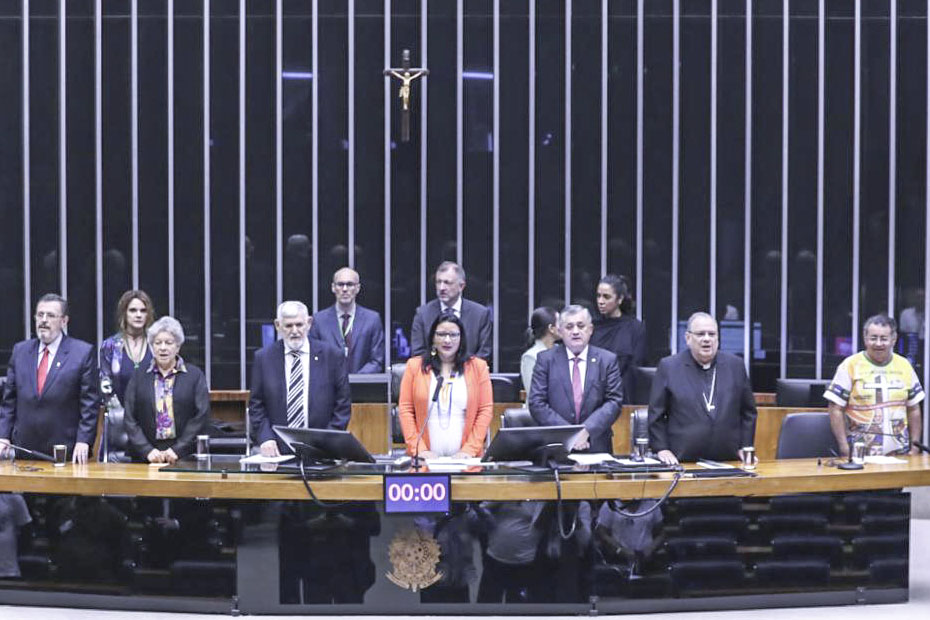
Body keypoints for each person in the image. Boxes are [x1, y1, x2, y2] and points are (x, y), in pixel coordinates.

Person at [0, 294, 99, 464]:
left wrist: (83, 440)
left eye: (51, 315)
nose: (44, 320)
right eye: (40, 315)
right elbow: (9, 401)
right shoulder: (20, 351)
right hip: (24, 448)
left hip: (64, 449)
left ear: (64, 321)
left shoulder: (81, 353)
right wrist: (3, 436)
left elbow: (89, 405)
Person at [648, 312, 757, 464]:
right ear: (688, 338)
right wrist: (661, 448)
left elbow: (748, 412)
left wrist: (745, 447)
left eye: (711, 334)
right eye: (700, 334)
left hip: (728, 458)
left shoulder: (735, 365)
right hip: (683, 458)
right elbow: (656, 413)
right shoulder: (669, 367)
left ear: (717, 338)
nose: (707, 339)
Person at [249, 301, 351, 457]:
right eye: (288, 326)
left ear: (309, 323)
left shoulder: (332, 356)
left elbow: (342, 405)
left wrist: (327, 441)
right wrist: (266, 439)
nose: (295, 331)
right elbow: (256, 405)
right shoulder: (263, 358)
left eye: (299, 325)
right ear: (278, 325)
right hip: (277, 451)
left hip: (322, 449)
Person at [825, 314, 924, 457]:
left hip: (900, 452)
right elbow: (835, 408)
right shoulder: (850, 365)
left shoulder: (905, 365)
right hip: (860, 453)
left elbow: (914, 408)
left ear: (893, 340)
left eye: (884, 338)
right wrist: (844, 447)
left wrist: (915, 446)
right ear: (865, 339)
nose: (878, 343)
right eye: (873, 338)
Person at [528, 305, 623, 453]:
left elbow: (614, 401)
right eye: (569, 327)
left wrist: (587, 430)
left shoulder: (607, 360)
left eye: (581, 326)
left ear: (590, 329)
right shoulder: (545, 360)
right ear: (560, 331)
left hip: (596, 445)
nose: (575, 332)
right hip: (556, 446)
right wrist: (570, 433)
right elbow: (536, 402)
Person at [398, 314, 493, 458]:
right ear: (433, 338)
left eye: (453, 335)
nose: (447, 340)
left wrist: (468, 450)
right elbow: (405, 410)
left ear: (461, 339)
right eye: (441, 334)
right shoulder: (414, 367)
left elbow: (485, 410)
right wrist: (420, 450)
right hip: (425, 460)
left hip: (466, 460)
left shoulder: (478, 367)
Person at [122, 317, 209, 464]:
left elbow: (201, 416)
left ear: (178, 347)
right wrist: (146, 450)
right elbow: (130, 418)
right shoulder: (138, 376)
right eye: (158, 343)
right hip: (145, 456)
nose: (163, 348)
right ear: (152, 347)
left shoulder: (194, 375)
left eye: (169, 343)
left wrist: (178, 449)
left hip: (184, 456)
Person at [309, 267, 385, 373]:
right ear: (333, 287)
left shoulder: (372, 319)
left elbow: (377, 360)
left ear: (358, 288)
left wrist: (356, 381)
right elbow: (314, 358)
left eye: (350, 284)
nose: (345, 289)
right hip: (329, 386)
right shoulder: (318, 320)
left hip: (362, 386)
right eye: (340, 284)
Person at [410, 261, 492, 360]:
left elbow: (484, 353)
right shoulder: (422, 314)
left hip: (470, 373)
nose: (441, 288)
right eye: (438, 282)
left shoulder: (480, 314)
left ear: (461, 286)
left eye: (447, 283)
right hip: (432, 373)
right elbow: (418, 353)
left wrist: (460, 371)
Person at [590, 274, 647, 404]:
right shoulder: (591, 327)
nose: (600, 301)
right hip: (593, 394)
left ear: (620, 299)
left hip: (623, 396)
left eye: (606, 297)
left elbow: (637, 366)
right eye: (598, 296)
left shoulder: (635, 328)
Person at [99, 289, 155, 406]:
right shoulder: (110, 345)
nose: (138, 315)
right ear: (124, 313)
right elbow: (105, 383)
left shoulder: (156, 343)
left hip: (153, 413)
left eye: (143, 311)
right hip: (120, 414)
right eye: (133, 311)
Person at [521, 307, 559, 403]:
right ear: (551, 328)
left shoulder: (561, 352)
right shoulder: (530, 357)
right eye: (560, 322)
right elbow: (534, 393)